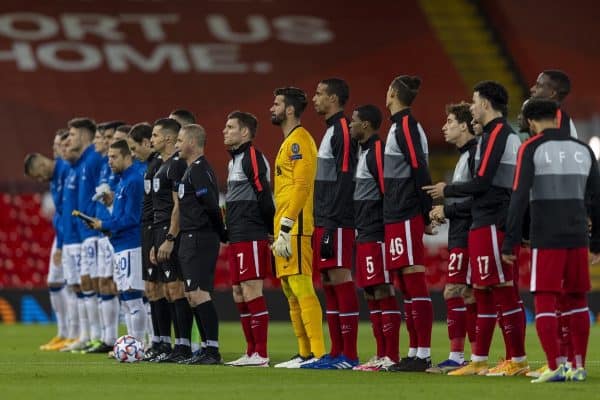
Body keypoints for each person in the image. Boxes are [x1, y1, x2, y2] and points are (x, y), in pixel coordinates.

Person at [424, 81, 528, 376]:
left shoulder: (500, 134)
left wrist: (449, 190)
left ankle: (517, 360)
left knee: (503, 290)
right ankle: (479, 359)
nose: (471, 107)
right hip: (482, 222)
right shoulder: (490, 136)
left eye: (473, 101)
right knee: (481, 291)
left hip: (494, 221)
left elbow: (483, 183)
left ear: (485, 104)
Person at [502, 98, 600, 383]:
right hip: (578, 235)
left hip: (547, 236)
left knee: (545, 297)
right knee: (578, 298)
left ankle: (555, 365)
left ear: (531, 122)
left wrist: (510, 241)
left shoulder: (531, 148)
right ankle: (577, 365)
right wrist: (596, 241)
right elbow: (597, 198)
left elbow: (519, 196)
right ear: (558, 117)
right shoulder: (583, 150)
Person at [303, 78, 359, 370]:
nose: (314, 98)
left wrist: (334, 218)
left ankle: (348, 355)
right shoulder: (330, 131)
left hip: (337, 220)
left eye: (319, 93)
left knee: (340, 277)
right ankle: (336, 352)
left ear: (334, 98)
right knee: (328, 281)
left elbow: (347, 176)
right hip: (325, 219)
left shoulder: (343, 131)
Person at [269, 87, 326, 368]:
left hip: (296, 225)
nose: (273, 108)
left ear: (289, 110)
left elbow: (303, 186)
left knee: (302, 284)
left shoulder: (299, 141)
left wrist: (288, 225)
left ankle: (317, 354)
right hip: (285, 225)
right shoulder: (289, 141)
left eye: (277, 104)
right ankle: (304, 353)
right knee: (290, 289)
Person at [382, 75, 434, 372]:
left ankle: (423, 353)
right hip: (395, 214)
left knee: (413, 278)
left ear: (392, 93)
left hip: (405, 212)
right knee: (403, 281)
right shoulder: (398, 126)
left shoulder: (407, 127)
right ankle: (414, 351)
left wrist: (427, 214)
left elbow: (419, 169)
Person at [426, 102, 478, 373]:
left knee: (455, 292)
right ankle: (472, 358)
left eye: (449, 121)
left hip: (468, 234)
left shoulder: (472, 157)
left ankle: (459, 357)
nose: (444, 127)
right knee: (467, 294)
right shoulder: (463, 157)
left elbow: (478, 199)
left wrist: (446, 208)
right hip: (461, 232)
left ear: (464, 125)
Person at [348, 104, 398, 372]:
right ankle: (381, 354)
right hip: (364, 232)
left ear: (366, 125)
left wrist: (385, 229)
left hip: (377, 232)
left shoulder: (378, 151)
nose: (350, 125)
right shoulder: (363, 152)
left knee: (382, 289)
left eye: (353, 121)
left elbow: (386, 190)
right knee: (370, 291)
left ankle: (391, 356)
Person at [222, 111, 274, 367]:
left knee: (251, 289)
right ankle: (250, 350)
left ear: (245, 132)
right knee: (238, 292)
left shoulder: (253, 157)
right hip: (237, 235)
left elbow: (264, 195)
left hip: (252, 233)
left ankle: (261, 354)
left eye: (230, 127)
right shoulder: (234, 162)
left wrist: (269, 229)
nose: (225, 131)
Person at [175, 124, 227, 365]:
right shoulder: (191, 170)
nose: (176, 144)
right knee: (191, 294)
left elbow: (210, 205)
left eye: (179, 140)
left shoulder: (199, 170)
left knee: (199, 293)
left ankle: (212, 350)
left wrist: (221, 232)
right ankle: (206, 348)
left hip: (200, 237)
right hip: (191, 237)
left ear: (192, 143)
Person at [88, 139, 147, 343]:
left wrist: (103, 225)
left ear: (127, 157)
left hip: (131, 244)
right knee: (125, 299)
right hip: (120, 244)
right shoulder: (122, 181)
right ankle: (133, 342)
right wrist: (107, 215)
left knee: (133, 298)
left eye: (114, 157)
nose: (110, 162)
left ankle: (138, 344)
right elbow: (121, 215)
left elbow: (132, 218)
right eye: (109, 157)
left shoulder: (133, 181)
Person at [147, 118, 194, 363]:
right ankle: (169, 344)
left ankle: (184, 345)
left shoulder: (176, 165)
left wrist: (169, 238)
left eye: (154, 135)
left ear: (167, 138)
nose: (151, 139)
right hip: (159, 230)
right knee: (167, 289)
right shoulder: (159, 165)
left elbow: (178, 205)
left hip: (170, 232)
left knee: (176, 288)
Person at [24, 131, 72, 350]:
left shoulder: (65, 170)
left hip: (71, 236)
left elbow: (69, 209)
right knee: (54, 282)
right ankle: (63, 333)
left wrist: (61, 244)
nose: (40, 180)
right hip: (62, 234)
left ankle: (74, 333)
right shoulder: (55, 179)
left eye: (38, 175)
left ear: (42, 164)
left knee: (74, 285)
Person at [129, 122, 172, 360]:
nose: (133, 155)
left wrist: (162, 236)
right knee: (152, 288)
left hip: (157, 229)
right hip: (148, 230)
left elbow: (162, 205)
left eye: (135, 149)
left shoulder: (161, 167)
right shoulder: (152, 166)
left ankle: (169, 342)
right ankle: (158, 341)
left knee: (165, 288)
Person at [530, 70, 577, 138]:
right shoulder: (528, 114)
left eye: (538, 86)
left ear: (552, 94)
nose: (532, 89)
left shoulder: (566, 126)